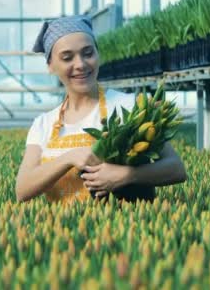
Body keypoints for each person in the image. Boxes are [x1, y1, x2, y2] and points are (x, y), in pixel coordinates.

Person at [15, 15, 187, 204]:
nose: (80, 64)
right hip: (63, 231)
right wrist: (69, 158)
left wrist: (127, 174)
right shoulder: (43, 124)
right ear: (50, 66)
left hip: (124, 229)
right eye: (67, 57)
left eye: (88, 53)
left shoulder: (130, 105)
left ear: (98, 54)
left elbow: (176, 169)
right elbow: (22, 189)